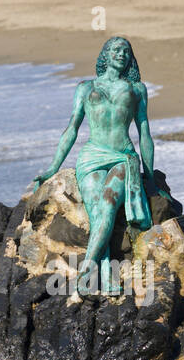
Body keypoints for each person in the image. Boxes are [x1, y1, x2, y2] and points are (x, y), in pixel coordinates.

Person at [31, 36, 167, 295]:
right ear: (105, 55)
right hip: (91, 158)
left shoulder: (137, 89)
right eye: (116, 50)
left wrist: (149, 177)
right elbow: (71, 129)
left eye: (126, 51)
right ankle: (106, 275)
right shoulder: (85, 87)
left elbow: (145, 132)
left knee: (106, 206)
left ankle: (86, 272)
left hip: (122, 156)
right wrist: (52, 167)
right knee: (97, 213)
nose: (122, 54)